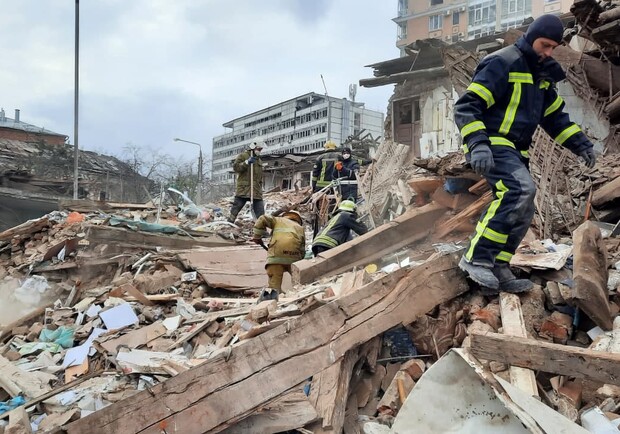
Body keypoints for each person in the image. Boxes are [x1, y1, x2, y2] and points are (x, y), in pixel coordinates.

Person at [454, 14, 596, 295]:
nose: (548, 52)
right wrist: (477, 144)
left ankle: (498, 265)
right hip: (492, 143)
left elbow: (555, 118)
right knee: (519, 190)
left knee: (524, 205)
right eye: (544, 45)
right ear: (531, 38)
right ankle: (475, 257)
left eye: (553, 48)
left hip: (516, 150)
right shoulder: (502, 63)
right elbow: (467, 107)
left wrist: (581, 144)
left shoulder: (541, 76)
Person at [252, 211, 305, 302]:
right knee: (298, 285)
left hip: (276, 257)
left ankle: (271, 303)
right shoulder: (300, 228)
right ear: (298, 220)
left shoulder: (278, 220)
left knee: (274, 287)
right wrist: (300, 263)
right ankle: (299, 301)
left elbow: (262, 218)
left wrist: (257, 236)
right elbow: (302, 249)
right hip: (294, 258)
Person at [229, 140, 265, 223]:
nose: (259, 151)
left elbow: (259, 177)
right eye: (258, 149)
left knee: (260, 212)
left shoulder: (259, 160)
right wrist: (246, 162)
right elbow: (236, 168)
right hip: (244, 189)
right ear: (253, 147)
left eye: (261, 149)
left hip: (256, 191)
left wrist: (260, 188)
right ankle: (229, 224)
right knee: (236, 208)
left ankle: (261, 229)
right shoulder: (243, 156)